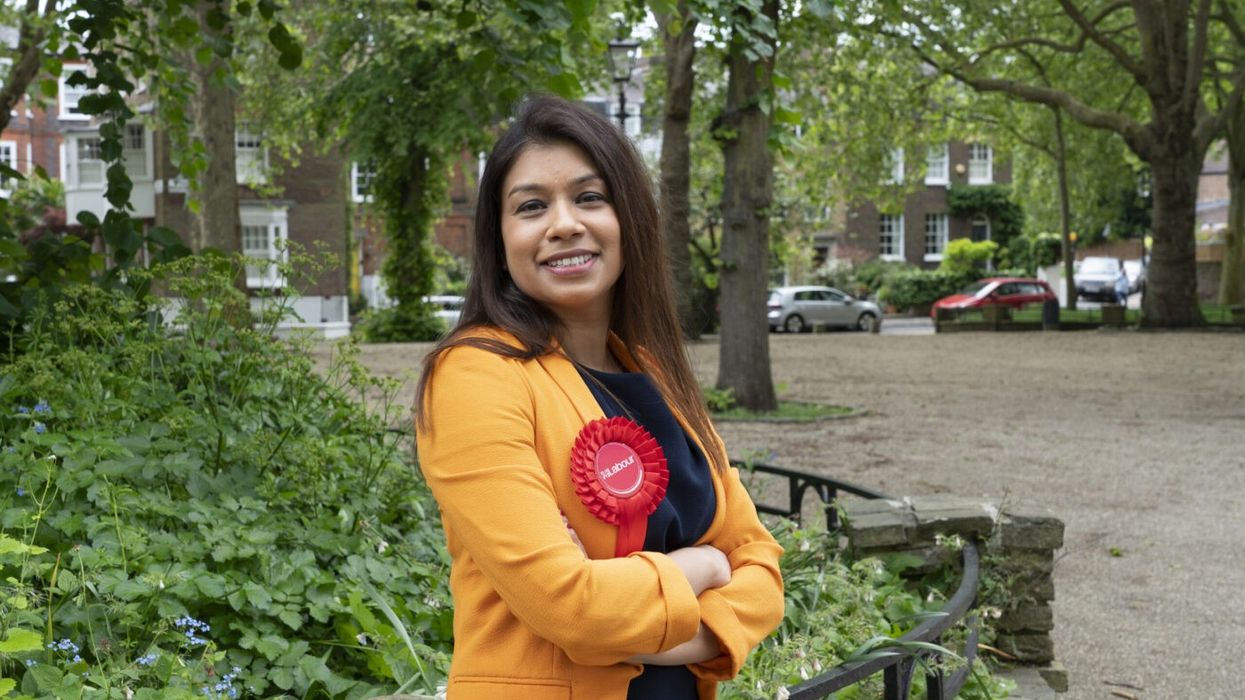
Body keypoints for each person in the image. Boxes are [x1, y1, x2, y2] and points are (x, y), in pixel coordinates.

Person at [414, 94, 785, 700]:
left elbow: (760, 563)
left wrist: (681, 632)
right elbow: (575, 611)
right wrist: (705, 569)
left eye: (590, 197)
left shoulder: (653, 373)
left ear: (628, 219)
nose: (564, 223)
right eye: (532, 206)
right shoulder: (476, 375)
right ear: (500, 242)